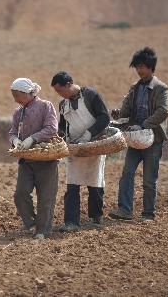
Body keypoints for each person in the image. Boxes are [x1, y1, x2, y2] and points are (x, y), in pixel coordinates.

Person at [109, 47, 168, 222]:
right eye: (137, 66)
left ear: (151, 67)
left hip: (153, 139)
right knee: (127, 174)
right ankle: (125, 210)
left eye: (142, 66)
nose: (139, 70)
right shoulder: (134, 88)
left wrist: (143, 125)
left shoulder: (161, 88)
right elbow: (126, 110)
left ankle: (148, 213)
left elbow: (163, 111)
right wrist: (118, 113)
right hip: (135, 140)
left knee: (149, 180)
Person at [51, 71, 110, 232]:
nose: (60, 94)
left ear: (69, 84)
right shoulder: (63, 104)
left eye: (61, 90)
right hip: (75, 147)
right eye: (57, 92)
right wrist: (61, 136)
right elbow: (63, 125)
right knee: (72, 184)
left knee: (95, 182)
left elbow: (104, 118)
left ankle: (96, 218)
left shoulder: (91, 96)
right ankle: (71, 222)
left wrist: (88, 135)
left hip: (95, 144)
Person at [8, 78, 59, 239]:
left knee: (45, 197)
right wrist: (15, 140)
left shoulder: (45, 106)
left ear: (26, 93)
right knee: (20, 194)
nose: (15, 99)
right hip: (26, 161)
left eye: (16, 95)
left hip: (46, 159)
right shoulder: (18, 112)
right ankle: (31, 223)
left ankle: (43, 230)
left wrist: (32, 139)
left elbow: (52, 128)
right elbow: (12, 132)